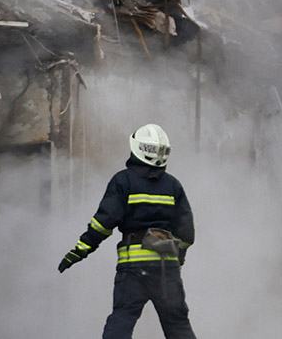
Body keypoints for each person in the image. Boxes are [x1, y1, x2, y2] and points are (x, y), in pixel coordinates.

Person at [58, 124, 197, 339]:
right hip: (166, 270)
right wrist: (176, 261)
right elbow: (187, 234)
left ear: (137, 148)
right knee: (178, 325)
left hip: (134, 270)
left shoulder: (123, 181)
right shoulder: (173, 186)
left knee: (122, 320)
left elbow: (103, 224)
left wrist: (79, 250)